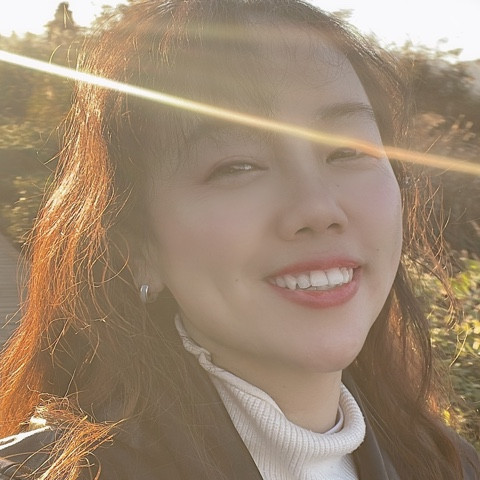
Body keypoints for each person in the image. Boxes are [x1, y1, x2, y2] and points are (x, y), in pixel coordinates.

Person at [0, 1, 478, 478]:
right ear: (139, 251)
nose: (318, 210)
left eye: (347, 151)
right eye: (237, 166)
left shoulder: (447, 464)